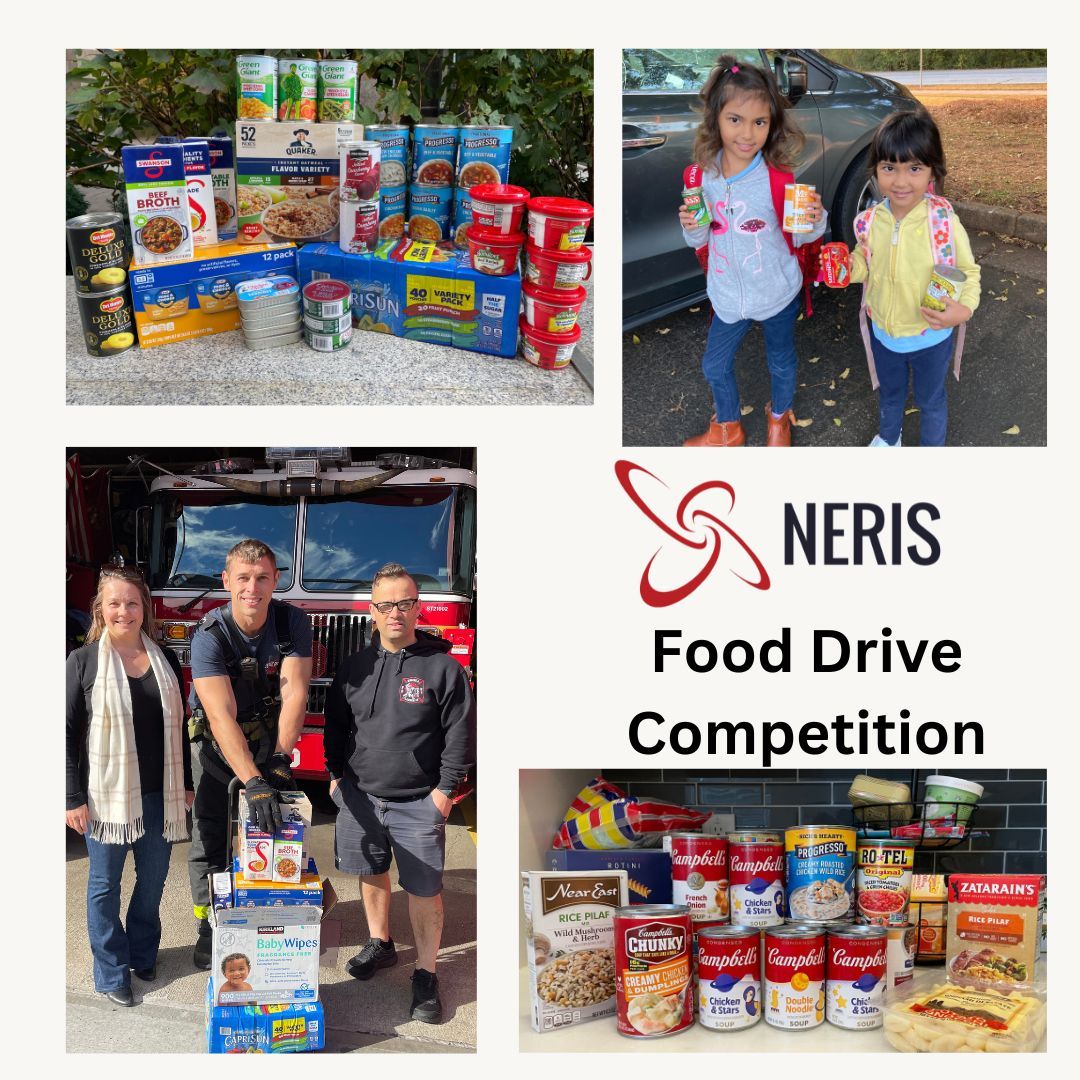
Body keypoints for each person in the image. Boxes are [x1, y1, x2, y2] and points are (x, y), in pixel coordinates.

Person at [324, 563, 475, 1024]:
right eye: (386, 604)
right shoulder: (354, 667)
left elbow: (461, 735)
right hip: (360, 797)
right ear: (373, 610)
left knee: (424, 890)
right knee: (370, 873)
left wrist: (445, 793)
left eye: (405, 603)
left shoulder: (444, 669)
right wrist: (334, 775)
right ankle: (381, 943)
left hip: (418, 801)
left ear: (416, 606)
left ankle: (427, 973)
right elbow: (335, 723)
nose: (396, 612)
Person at [679, 56, 827, 448]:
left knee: (781, 360)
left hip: (777, 292)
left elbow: (802, 236)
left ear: (771, 125)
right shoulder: (701, 178)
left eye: (759, 122)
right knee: (714, 364)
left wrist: (814, 218)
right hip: (728, 295)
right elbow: (698, 241)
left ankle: (779, 417)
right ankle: (727, 428)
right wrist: (692, 226)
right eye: (735, 120)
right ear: (716, 120)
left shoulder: (776, 180)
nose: (747, 133)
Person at [66, 562, 194, 1007]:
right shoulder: (83, 661)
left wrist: (189, 783)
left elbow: (180, 728)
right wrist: (70, 797)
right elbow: (63, 731)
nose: (124, 611)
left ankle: (142, 953)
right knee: (104, 885)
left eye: (132, 602)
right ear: (101, 608)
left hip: (161, 792)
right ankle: (110, 969)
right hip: (105, 798)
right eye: (114, 603)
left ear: (145, 607)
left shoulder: (167, 660)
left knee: (154, 879)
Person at [188, 539, 313, 969]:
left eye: (262, 577)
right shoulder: (208, 635)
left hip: (267, 741)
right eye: (243, 577)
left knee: (274, 831)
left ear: (276, 580)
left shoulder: (293, 622)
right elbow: (220, 716)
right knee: (213, 837)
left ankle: (265, 912)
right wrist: (252, 781)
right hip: (215, 749)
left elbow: (295, 691)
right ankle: (209, 923)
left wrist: (279, 759)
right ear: (227, 581)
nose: (252, 588)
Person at [847, 110, 981, 446]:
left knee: (930, 401)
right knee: (890, 395)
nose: (901, 181)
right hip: (884, 334)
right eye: (889, 168)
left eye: (915, 168)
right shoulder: (868, 221)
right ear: (876, 169)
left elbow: (969, 270)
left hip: (930, 338)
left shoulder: (943, 222)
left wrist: (962, 311)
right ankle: (890, 438)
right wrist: (848, 267)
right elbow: (865, 260)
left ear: (932, 171)